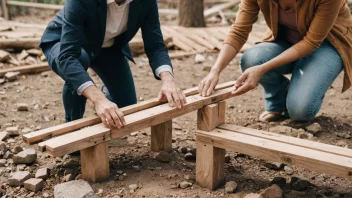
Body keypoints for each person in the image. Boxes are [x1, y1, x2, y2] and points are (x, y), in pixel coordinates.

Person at [40, 0, 187, 129]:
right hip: (64, 44)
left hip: (108, 47)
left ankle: (106, 99)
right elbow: (68, 56)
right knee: (80, 60)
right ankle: (72, 124)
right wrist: (98, 99)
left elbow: (155, 45)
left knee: (127, 106)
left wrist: (168, 80)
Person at [199, 0, 352, 122]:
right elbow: (239, 31)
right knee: (252, 59)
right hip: (286, 40)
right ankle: (278, 100)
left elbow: (312, 42)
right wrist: (215, 70)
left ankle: (304, 82)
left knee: (300, 111)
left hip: (327, 44)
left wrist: (263, 68)